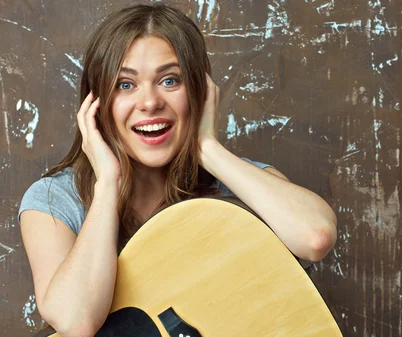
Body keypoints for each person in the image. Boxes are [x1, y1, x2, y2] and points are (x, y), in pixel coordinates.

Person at [18, 4, 337, 337]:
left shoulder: (240, 182)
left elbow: (316, 237)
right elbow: (75, 322)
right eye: (125, 85)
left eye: (170, 80)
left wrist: (209, 150)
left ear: (199, 93)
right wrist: (108, 185)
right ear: (97, 104)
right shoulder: (54, 199)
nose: (150, 102)